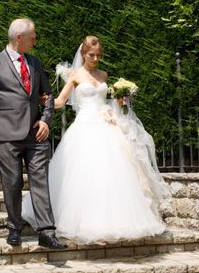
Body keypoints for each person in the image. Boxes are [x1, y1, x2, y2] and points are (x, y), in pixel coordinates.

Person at [22, 36, 170, 244]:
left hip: (106, 126)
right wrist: (42, 99)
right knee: (85, 174)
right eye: (92, 55)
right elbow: (60, 102)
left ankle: (113, 223)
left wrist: (121, 99)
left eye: (99, 56)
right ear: (83, 54)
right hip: (84, 127)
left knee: (112, 174)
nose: (95, 59)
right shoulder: (75, 75)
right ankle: (84, 223)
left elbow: (106, 99)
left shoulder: (103, 75)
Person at [0, 18, 67, 250]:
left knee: (40, 182)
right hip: (5, 136)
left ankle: (46, 232)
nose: (35, 40)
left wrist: (46, 120)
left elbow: (48, 96)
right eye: (32, 36)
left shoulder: (35, 63)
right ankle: (14, 228)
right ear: (19, 37)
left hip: (35, 136)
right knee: (12, 182)